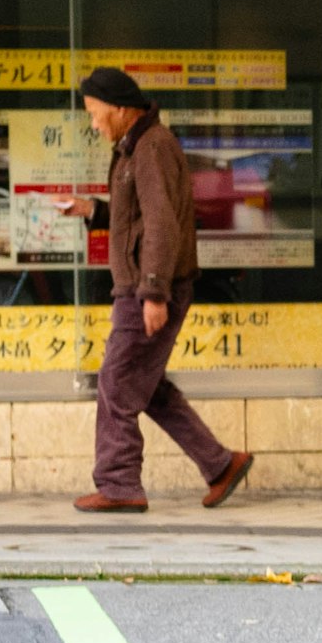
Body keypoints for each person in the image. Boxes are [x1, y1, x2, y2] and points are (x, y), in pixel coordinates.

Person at [53, 68, 255, 515]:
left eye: (95, 113)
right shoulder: (135, 146)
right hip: (141, 285)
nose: (93, 124)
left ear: (121, 110)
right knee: (147, 388)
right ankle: (220, 465)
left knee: (117, 381)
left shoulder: (152, 147)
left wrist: (153, 293)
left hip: (146, 288)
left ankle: (120, 483)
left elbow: (163, 223)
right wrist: (92, 211)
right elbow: (140, 220)